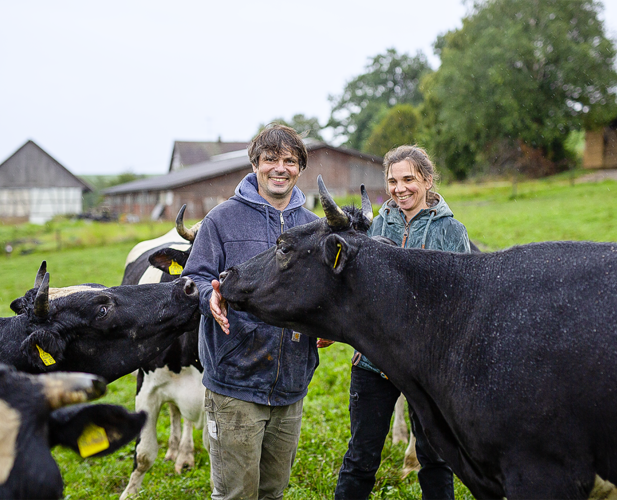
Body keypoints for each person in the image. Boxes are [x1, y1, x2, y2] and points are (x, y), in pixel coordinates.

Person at [181, 124, 321, 500]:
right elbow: (194, 277)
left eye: (290, 161)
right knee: (235, 494)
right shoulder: (222, 220)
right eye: (271, 159)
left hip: (290, 384)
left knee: (273, 491)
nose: (281, 168)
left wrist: (326, 324)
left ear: (300, 168)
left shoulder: (312, 228)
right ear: (256, 164)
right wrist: (207, 300)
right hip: (235, 382)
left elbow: (323, 294)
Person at [333, 145, 471, 500]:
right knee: (360, 459)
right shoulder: (377, 224)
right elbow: (358, 289)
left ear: (426, 180)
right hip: (374, 362)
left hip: (429, 368)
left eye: (408, 179)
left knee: (436, 458)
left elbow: (462, 299)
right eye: (393, 181)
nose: (400, 188)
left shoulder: (452, 231)